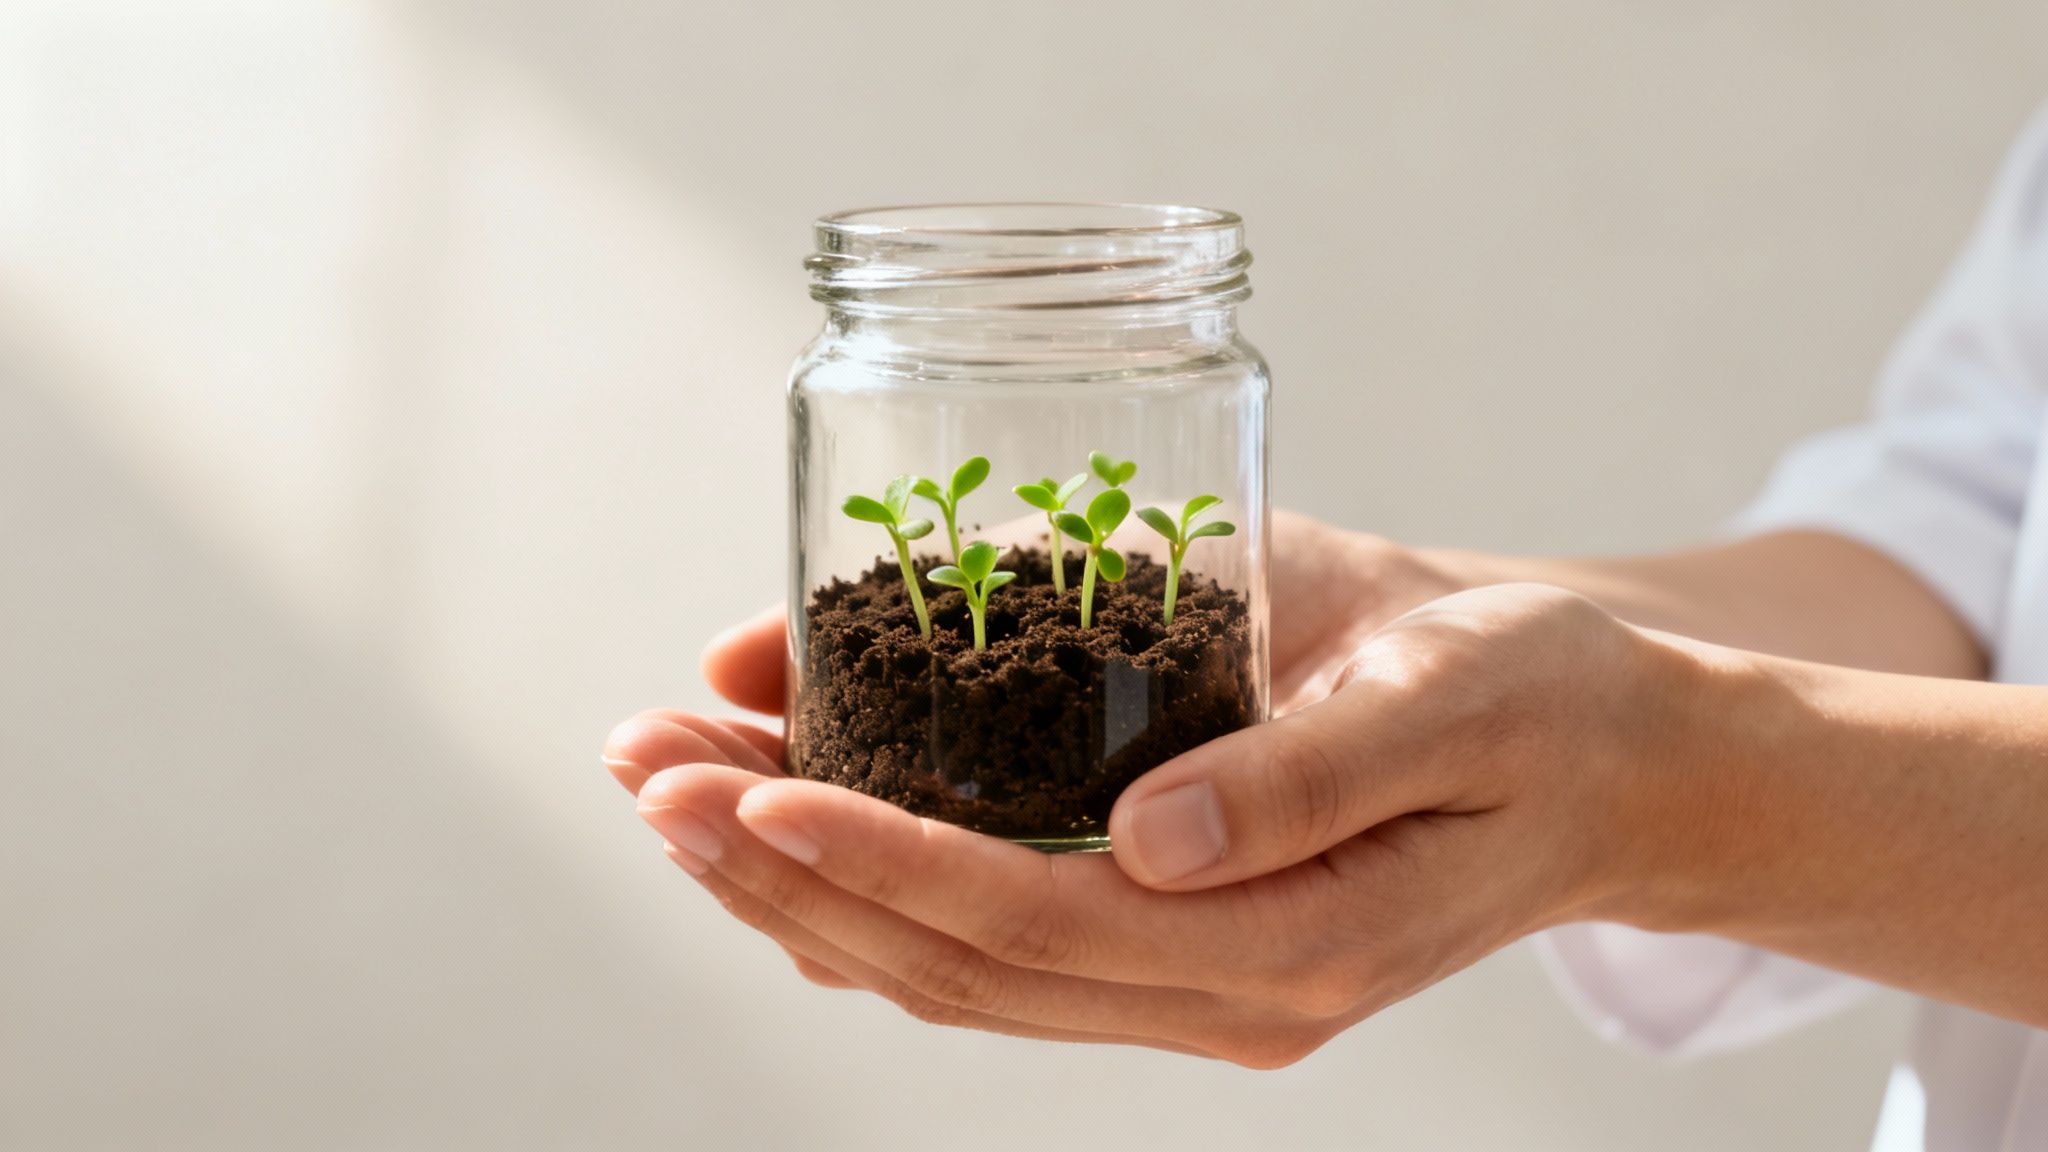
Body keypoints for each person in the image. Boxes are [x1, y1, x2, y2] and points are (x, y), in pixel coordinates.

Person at [602, 103, 2048, 1150]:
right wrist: (1434, 611)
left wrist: (1663, 786)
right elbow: (1978, 524)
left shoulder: (1200, 369)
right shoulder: (851, 376)